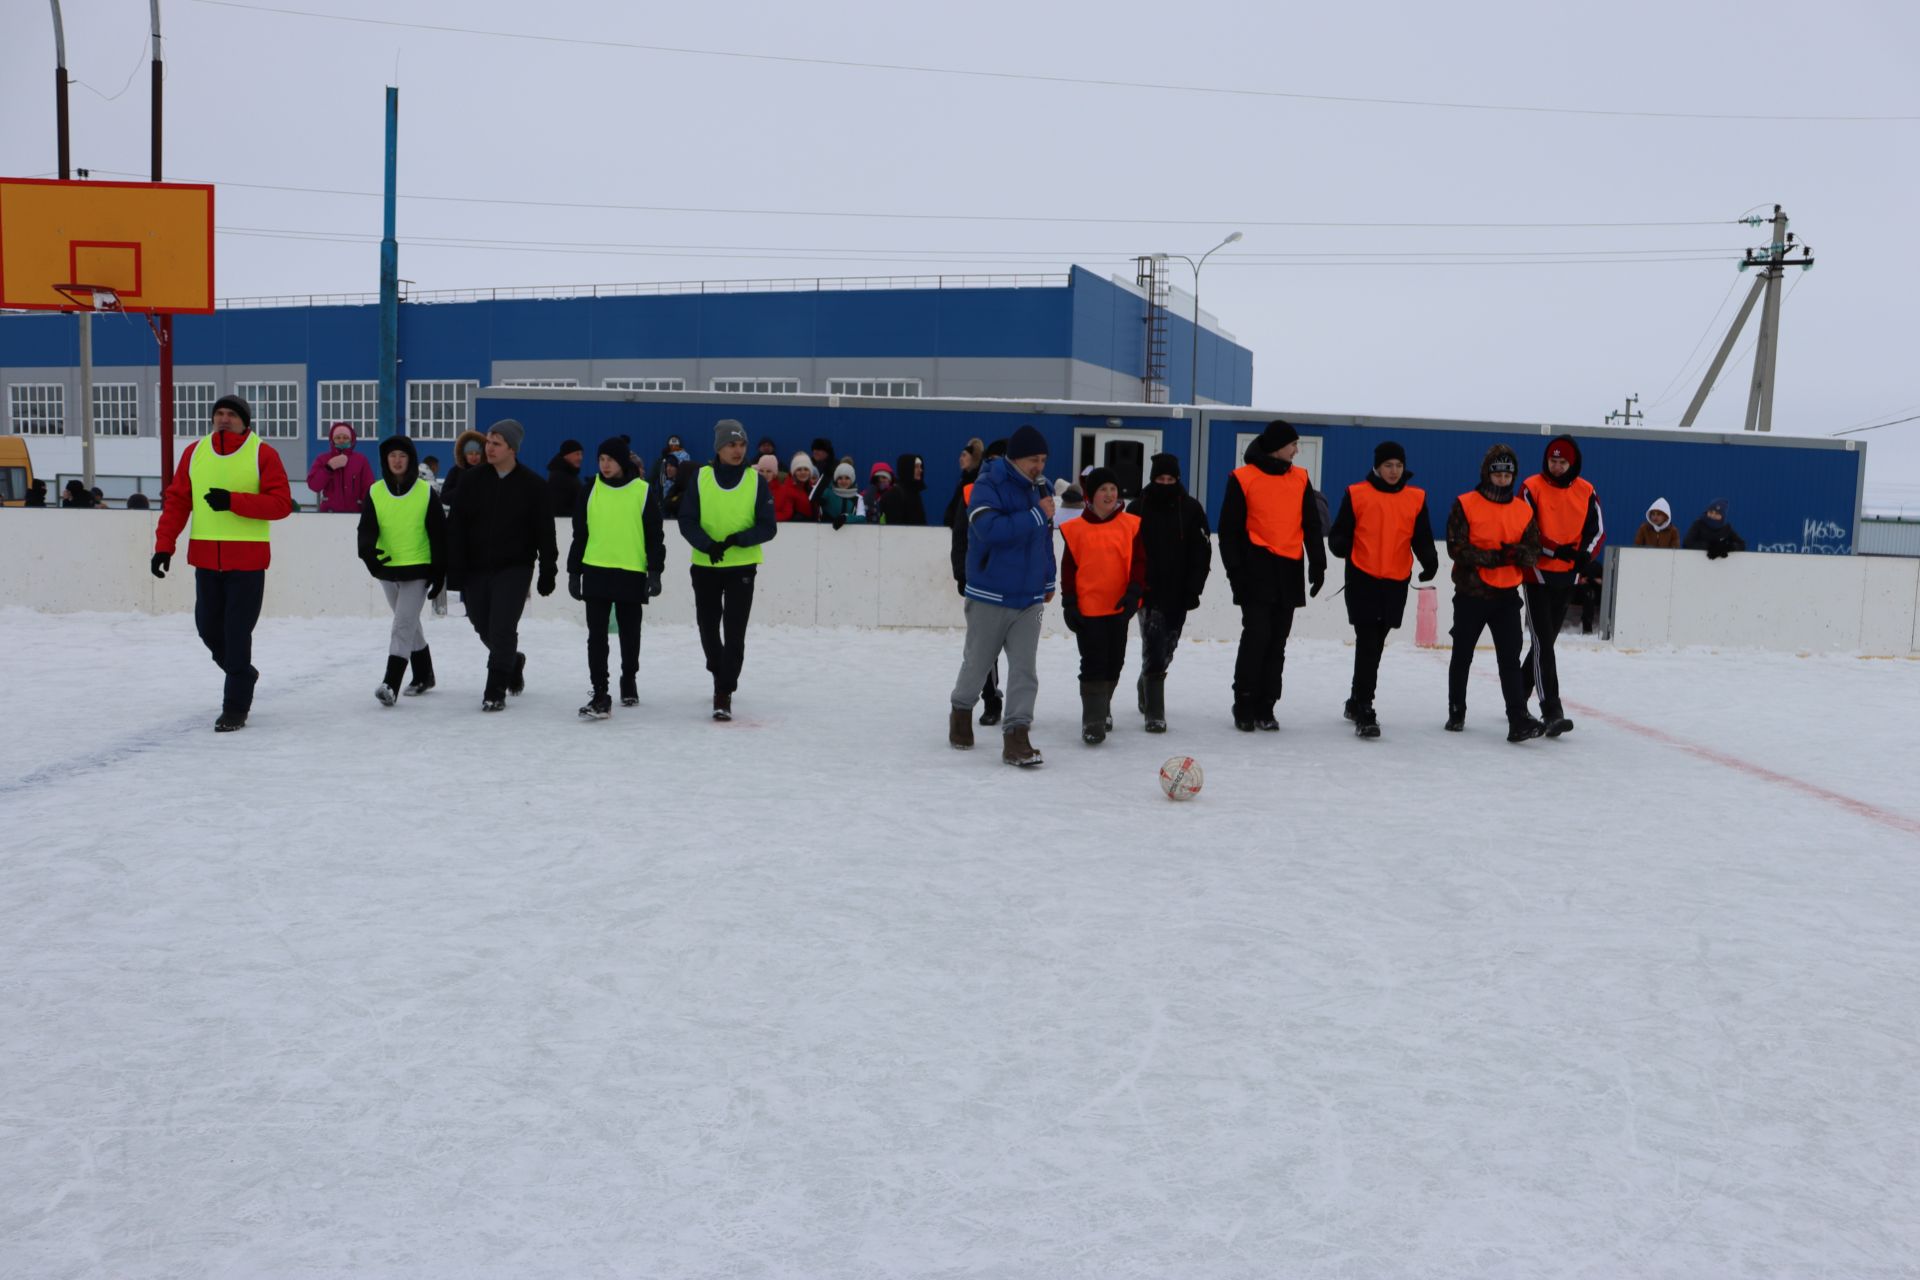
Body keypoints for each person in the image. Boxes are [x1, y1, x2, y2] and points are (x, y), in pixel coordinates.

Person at [148, 393, 294, 731]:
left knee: (236, 632)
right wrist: (163, 546)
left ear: (245, 421)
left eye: (231, 414)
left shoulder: (263, 453)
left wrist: (233, 502)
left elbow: (281, 504)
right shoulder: (194, 452)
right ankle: (242, 673)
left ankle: (235, 708)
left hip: (247, 561)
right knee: (208, 628)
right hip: (205, 560)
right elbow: (177, 501)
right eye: (219, 413)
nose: (224, 419)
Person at [949, 424, 1055, 767]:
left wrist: (1049, 580)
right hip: (989, 594)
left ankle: (1017, 736)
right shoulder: (987, 484)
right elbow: (989, 531)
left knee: (1025, 669)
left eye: (1043, 459)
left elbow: (1044, 540)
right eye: (1032, 460)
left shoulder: (1043, 489)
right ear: (1013, 459)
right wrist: (1037, 514)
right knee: (978, 664)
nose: (1039, 466)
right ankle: (962, 711)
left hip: (1030, 598)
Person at [1217, 419, 1327, 732]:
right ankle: (1244, 702)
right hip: (1256, 569)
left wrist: (1317, 564)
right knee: (1256, 637)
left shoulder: (1300, 478)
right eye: (1293, 444)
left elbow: (1312, 524)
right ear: (1278, 446)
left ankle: (1267, 705)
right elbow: (1229, 530)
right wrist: (1235, 572)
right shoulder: (1243, 478)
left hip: (1289, 569)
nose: (1297, 449)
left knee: (1277, 641)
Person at [1326, 440, 1438, 739]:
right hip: (1363, 577)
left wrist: (1430, 561)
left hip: (1396, 580)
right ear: (1376, 467)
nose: (1393, 471)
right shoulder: (1357, 493)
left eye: (1398, 465)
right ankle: (1364, 707)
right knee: (1368, 640)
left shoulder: (1415, 498)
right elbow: (1339, 534)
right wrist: (1341, 545)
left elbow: (1422, 536)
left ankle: (1354, 700)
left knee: (1376, 641)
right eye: (1388, 465)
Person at [445, 418, 559, 711]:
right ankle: (512, 660)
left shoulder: (533, 485)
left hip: (515, 567)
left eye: (496, 443)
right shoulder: (471, 481)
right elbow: (456, 528)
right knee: (480, 623)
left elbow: (545, 533)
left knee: (502, 627)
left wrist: (548, 570)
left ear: (512, 449)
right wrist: (454, 571)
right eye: (488, 442)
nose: (489, 448)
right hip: (476, 567)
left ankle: (495, 689)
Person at [1445, 443, 1547, 742]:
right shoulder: (1465, 503)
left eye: (1508, 475)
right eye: (1497, 473)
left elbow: (1533, 551)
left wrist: (1517, 554)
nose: (1502, 479)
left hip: (1506, 597)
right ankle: (1456, 709)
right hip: (1471, 594)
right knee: (1462, 654)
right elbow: (1456, 548)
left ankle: (1517, 718)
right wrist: (1496, 558)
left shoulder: (1523, 510)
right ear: (1487, 473)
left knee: (1509, 660)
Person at [678, 418, 778, 720]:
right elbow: (687, 520)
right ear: (719, 448)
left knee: (734, 631)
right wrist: (708, 545)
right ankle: (717, 669)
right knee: (708, 627)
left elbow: (768, 527)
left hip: (741, 567)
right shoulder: (700, 477)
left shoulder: (755, 481)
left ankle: (724, 690)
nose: (738, 450)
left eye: (742, 444)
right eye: (731, 445)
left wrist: (738, 540)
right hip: (706, 565)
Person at [568, 435, 666, 719]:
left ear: (622, 462)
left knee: (629, 632)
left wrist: (655, 571)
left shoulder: (642, 491)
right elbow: (580, 534)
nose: (605, 464)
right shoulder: (590, 490)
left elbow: (654, 536)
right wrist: (574, 572)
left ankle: (629, 677)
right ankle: (600, 692)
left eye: (610, 459)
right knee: (596, 636)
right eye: (601, 459)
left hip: (631, 571)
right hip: (595, 569)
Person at [1520, 435, 1602, 738]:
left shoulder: (1586, 490)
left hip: (1568, 576)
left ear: (1573, 463)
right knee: (1542, 642)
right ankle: (1552, 710)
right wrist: (1558, 551)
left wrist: (1584, 557)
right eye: (1553, 461)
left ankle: (1516, 696)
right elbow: (1527, 529)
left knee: (1546, 643)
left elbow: (1597, 530)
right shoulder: (1532, 487)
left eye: (1562, 461)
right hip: (1537, 574)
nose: (1556, 466)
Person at [356, 433, 447, 705]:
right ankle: (424, 674)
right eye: (392, 455)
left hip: (417, 569)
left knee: (402, 625)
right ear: (386, 460)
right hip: (387, 569)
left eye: (402, 455)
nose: (397, 460)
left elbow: (439, 534)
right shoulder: (375, 491)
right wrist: (368, 555)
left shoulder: (424, 492)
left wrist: (439, 571)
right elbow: (367, 529)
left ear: (411, 460)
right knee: (409, 623)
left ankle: (390, 684)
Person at [1126, 452, 1212, 734]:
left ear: (1177, 479)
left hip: (1178, 591)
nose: (1165, 483)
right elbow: (1125, 551)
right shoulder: (1137, 509)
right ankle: (1155, 712)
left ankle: (1145, 684)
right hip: (1147, 591)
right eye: (1160, 479)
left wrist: (1194, 588)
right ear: (1152, 479)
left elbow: (1202, 552)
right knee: (1153, 643)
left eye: (1170, 479)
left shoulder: (1191, 509)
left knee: (1167, 647)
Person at [1059, 467, 1145, 745]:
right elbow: (1068, 570)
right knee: (1093, 662)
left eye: (1112, 489)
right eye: (1102, 490)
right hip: (1088, 609)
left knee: (1114, 663)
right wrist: (1069, 602)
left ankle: (1103, 705)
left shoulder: (1131, 525)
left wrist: (1133, 594)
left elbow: (1140, 565)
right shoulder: (1075, 530)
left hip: (1119, 608)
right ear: (1091, 495)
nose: (1109, 494)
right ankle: (1093, 721)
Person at [946, 438, 1003, 725]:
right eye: (991, 459)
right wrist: (961, 573)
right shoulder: (972, 491)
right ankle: (991, 700)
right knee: (984, 647)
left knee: (1020, 654)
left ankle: (1019, 708)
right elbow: (959, 534)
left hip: (1017, 583)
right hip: (982, 582)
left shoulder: (1029, 492)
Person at [308, 421, 375, 513]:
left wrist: (368, 510)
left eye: (345, 437)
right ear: (332, 439)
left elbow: (368, 488)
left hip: (355, 513)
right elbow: (314, 485)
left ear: (351, 440)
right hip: (328, 514)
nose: (341, 440)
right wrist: (328, 468)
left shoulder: (361, 460)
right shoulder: (323, 459)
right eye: (338, 437)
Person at [876, 453, 928, 526]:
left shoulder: (915, 493)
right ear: (907, 468)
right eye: (916, 467)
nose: (920, 470)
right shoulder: (894, 495)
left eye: (921, 467)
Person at [440, 429, 487, 507]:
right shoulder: (455, 471)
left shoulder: (487, 472)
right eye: (470, 453)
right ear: (464, 455)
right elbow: (444, 497)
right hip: (459, 517)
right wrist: (462, 489)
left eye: (477, 453)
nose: (474, 457)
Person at [546, 439, 587, 520]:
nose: (580, 458)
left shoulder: (569, 474)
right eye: (577, 454)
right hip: (565, 527)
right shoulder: (559, 478)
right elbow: (558, 509)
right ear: (566, 455)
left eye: (581, 454)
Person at [817, 462, 867, 528]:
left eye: (847, 478)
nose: (843, 481)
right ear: (835, 480)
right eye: (840, 478)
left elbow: (862, 519)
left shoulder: (858, 498)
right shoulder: (827, 493)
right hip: (825, 533)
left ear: (852, 480)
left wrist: (846, 518)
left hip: (850, 534)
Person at [775, 454, 818, 522]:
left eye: (806, 469)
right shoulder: (786, 490)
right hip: (794, 528)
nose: (803, 472)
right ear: (793, 472)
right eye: (799, 470)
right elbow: (783, 515)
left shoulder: (812, 489)